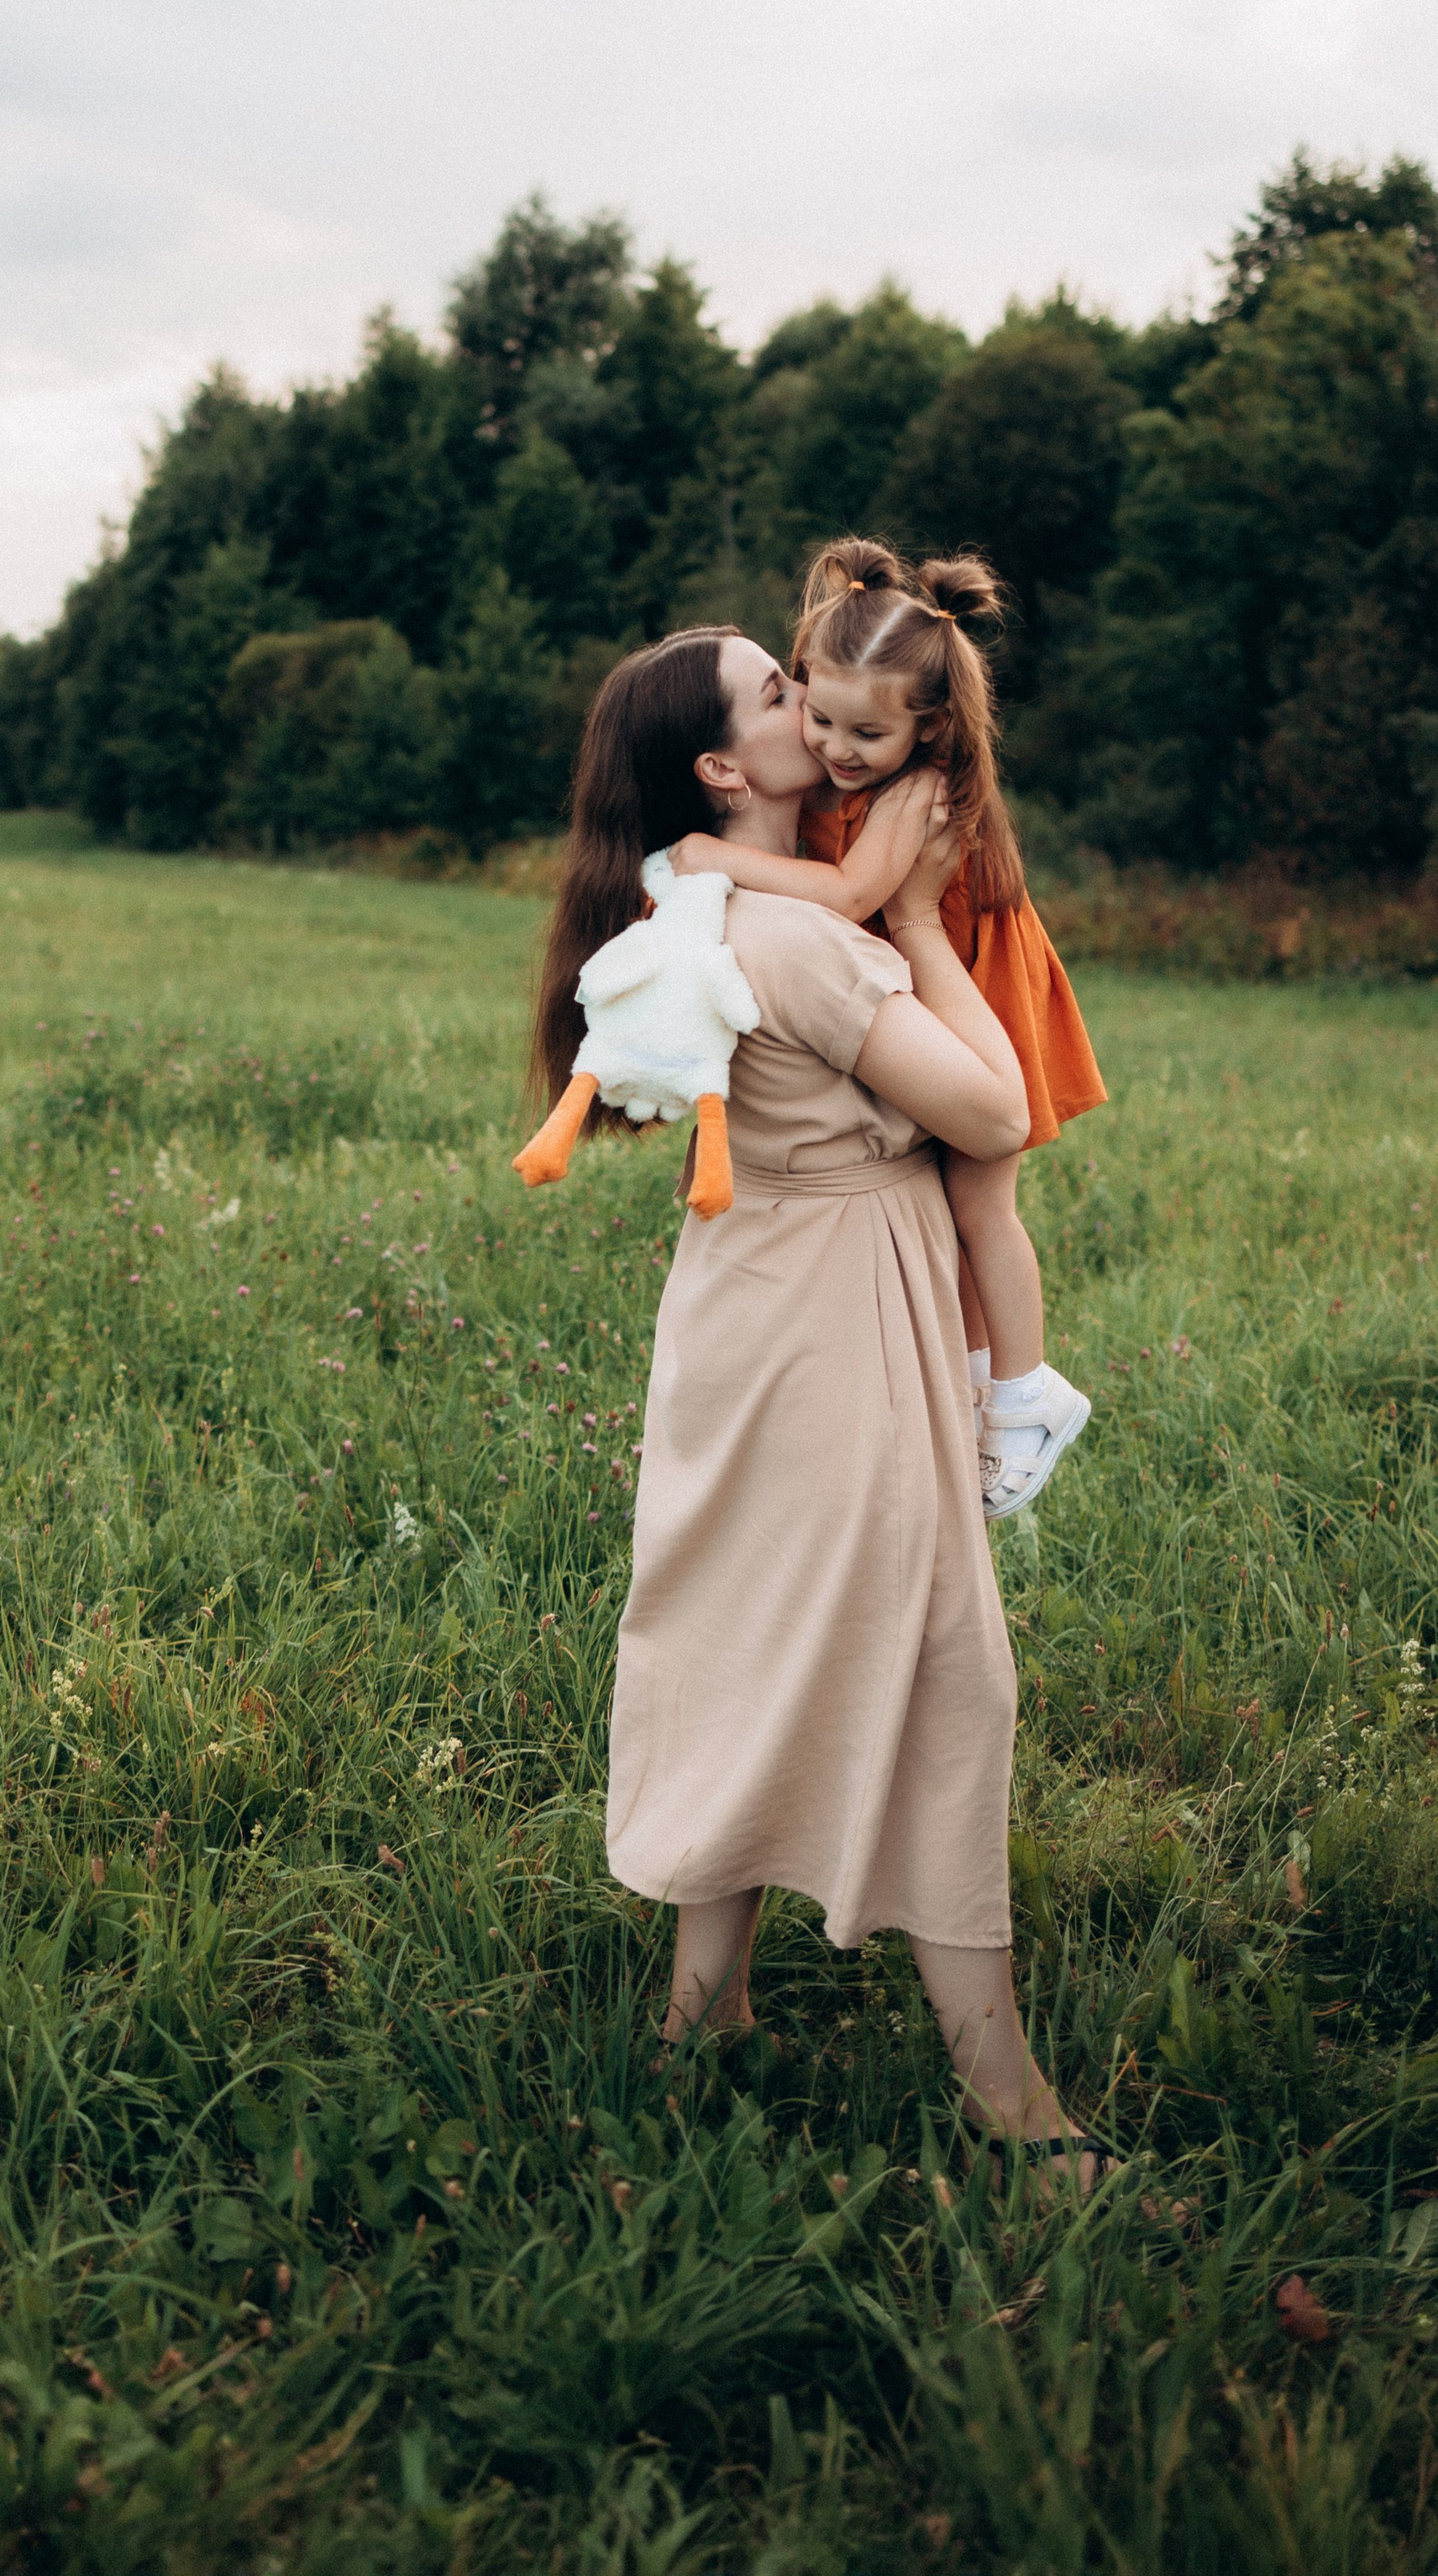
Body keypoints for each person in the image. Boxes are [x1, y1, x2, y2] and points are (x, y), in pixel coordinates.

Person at [531, 624, 1112, 2187]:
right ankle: (1008, 2099)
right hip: (830, 1319)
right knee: (946, 1673)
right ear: (727, 767)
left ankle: (694, 2026)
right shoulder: (791, 937)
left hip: (763, 1299)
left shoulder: (716, 903)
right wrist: (916, 915)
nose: (810, 697)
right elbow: (993, 1107)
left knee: (748, 1638)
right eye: (779, 693)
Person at [669, 538, 1104, 1517]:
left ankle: (1028, 1395)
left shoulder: (915, 791)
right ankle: (977, 1385)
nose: (832, 748)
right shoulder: (855, 770)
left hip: (981, 991)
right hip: (933, 982)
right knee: (950, 1215)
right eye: (815, 715)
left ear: (929, 727)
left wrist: (713, 857)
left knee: (983, 1206)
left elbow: (857, 892)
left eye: (862, 734)